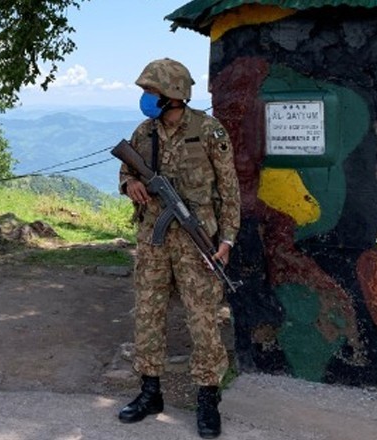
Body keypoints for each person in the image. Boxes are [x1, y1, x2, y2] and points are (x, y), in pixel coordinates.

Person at [117, 58, 241, 439]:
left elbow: (229, 189)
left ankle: (207, 398)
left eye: (150, 92)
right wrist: (129, 185)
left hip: (196, 241)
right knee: (148, 315)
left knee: (202, 319)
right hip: (153, 239)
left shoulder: (208, 131)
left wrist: (227, 239)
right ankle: (149, 391)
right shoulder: (144, 132)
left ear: (173, 94)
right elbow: (127, 170)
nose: (145, 99)